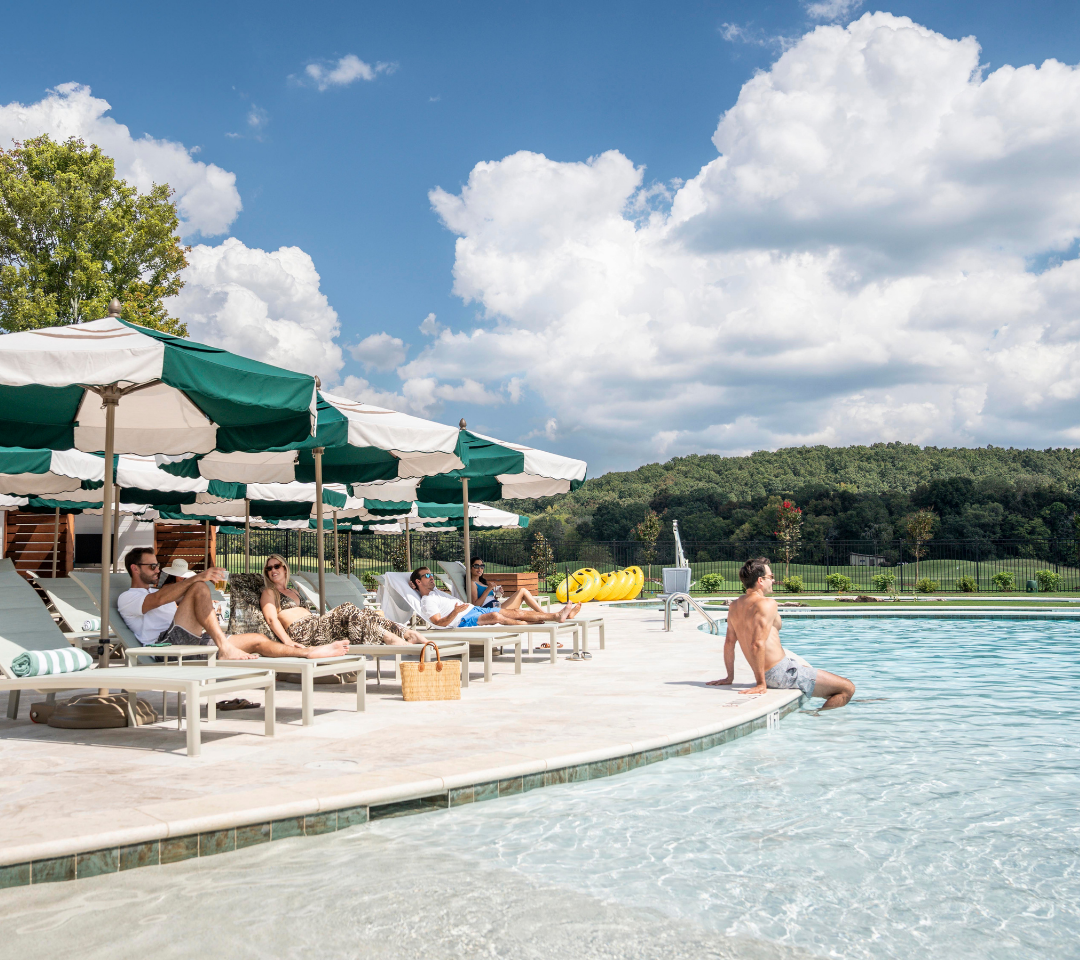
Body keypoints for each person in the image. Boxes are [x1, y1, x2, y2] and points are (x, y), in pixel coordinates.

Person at [117, 547, 349, 661]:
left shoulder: (162, 592)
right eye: (152, 566)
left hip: (191, 640)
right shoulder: (128, 598)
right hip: (165, 646)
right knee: (197, 586)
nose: (158, 570)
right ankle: (225, 648)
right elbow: (156, 600)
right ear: (134, 569)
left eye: (158, 565)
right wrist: (198, 577)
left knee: (257, 639)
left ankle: (307, 652)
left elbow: (178, 600)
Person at [708, 557, 855, 710]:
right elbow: (757, 644)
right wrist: (760, 683)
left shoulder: (735, 606)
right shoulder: (767, 604)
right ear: (760, 580)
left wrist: (729, 677)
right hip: (780, 672)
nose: (773, 580)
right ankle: (815, 717)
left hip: (778, 669)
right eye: (771, 577)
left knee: (819, 680)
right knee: (847, 688)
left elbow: (729, 643)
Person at [260, 554, 427, 647]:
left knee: (367, 613)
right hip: (302, 633)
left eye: (277, 566)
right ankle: (390, 638)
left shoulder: (292, 590)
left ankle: (406, 633)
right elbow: (270, 619)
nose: (273, 570)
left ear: (284, 568)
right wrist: (288, 643)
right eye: (269, 568)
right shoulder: (270, 592)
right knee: (347, 608)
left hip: (315, 625)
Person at [409, 566, 580, 626]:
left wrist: (413, 586)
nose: (432, 578)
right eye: (427, 576)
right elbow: (438, 622)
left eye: (431, 575)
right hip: (462, 619)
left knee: (514, 612)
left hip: (472, 610)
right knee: (497, 615)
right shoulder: (427, 600)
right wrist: (455, 612)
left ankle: (556, 616)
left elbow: (416, 585)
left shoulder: (434, 592)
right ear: (418, 582)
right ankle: (532, 622)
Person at [468, 557, 552, 616]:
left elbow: (489, 599)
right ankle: (545, 614)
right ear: (470, 568)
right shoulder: (472, 583)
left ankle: (543, 615)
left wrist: (497, 595)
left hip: (498, 607)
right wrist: (488, 589)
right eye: (476, 566)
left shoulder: (482, 582)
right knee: (522, 591)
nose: (480, 569)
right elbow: (476, 605)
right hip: (492, 611)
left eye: (482, 566)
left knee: (523, 598)